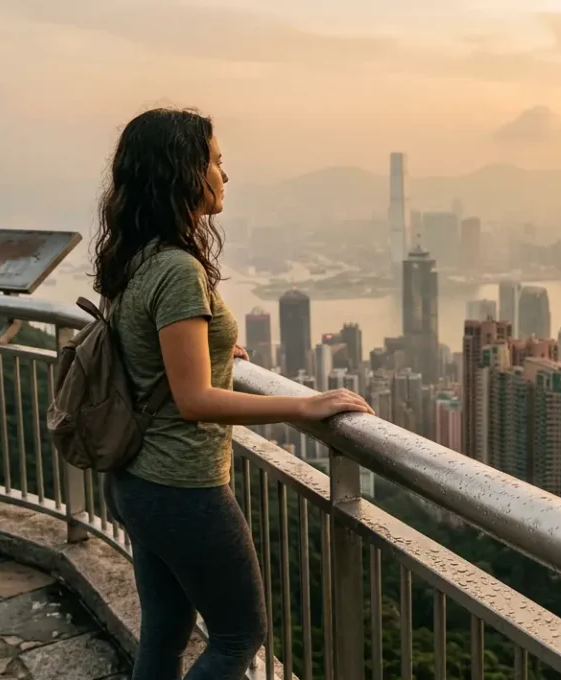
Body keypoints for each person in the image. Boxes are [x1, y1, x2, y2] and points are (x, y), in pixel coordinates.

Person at [92, 108, 374, 680]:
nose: (226, 175)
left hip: (134, 480)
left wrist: (218, 353)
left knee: (167, 633)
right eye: (217, 161)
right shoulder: (176, 269)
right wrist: (305, 405)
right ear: (185, 172)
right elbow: (193, 399)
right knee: (238, 636)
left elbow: (149, 352)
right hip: (181, 484)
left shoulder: (135, 257)